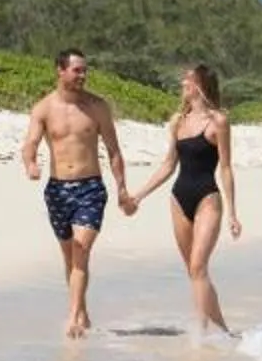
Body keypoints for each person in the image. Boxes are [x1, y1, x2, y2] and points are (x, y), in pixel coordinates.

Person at [18, 48, 132, 337]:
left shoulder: (97, 107)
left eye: (85, 70)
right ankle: (82, 312)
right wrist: (31, 164)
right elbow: (30, 143)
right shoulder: (43, 108)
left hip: (90, 187)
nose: (83, 75)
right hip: (57, 190)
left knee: (81, 250)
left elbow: (114, 151)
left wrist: (121, 189)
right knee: (70, 258)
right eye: (77, 70)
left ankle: (72, 320)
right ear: (60, 70)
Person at [127, 61, 241, 337]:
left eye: (186, 81)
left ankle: (201, 332)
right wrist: (138, 196)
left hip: (207, 198)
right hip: (179, 198)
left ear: (199, 84)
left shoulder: (218, 122)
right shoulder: (179, 121)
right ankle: (223, 330)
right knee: (193, 270)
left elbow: (225, 167)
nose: (182, 85)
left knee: (198, 266)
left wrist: (233, 214)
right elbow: (168, 165)